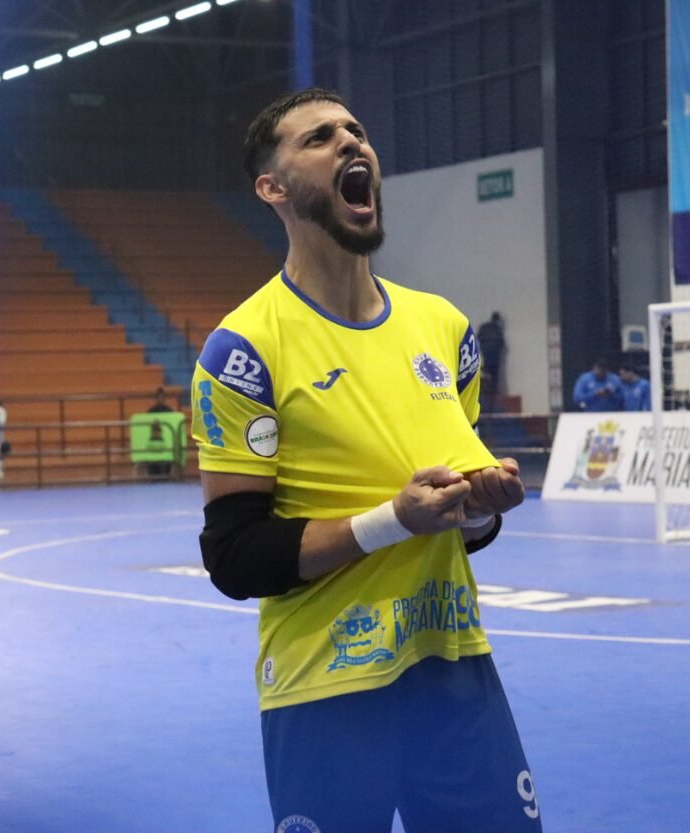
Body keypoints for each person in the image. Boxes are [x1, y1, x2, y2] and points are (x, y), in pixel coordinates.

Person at [192, 88, 538, 832]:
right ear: (273, 187)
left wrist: (477, 509)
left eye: (357, 131)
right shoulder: (244, 350)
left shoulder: (444, 329)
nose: (352, 142)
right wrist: (393, 519)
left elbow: (460, 523)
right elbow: (235, 556)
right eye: (320, 137)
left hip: (450, 661)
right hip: (326, 686)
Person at [477, 311, 506, 408]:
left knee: (485, 376)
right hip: (495, 358)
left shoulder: (484, 327)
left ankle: (486, 394)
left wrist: (484, 348)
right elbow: (501, 343)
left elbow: (478, 337)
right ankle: (494, 395)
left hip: (485, 356)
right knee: (494, 378)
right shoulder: (497, 329)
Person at [146, 388, 175, 476]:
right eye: (158, 397)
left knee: (168, 455)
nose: (160, 399)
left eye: (162, 397)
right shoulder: (150, 411)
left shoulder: (169, 411)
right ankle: (153, 475)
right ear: (156, 399)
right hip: (154, 441)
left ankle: (167, 474)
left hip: (166, 441)